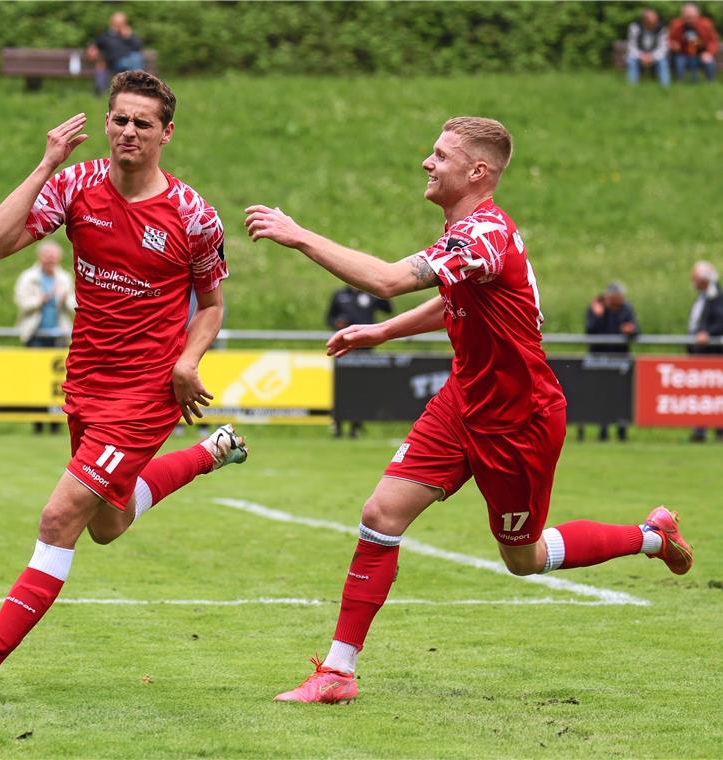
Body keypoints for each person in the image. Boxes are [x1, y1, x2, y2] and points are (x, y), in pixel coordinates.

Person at [245, 116, 693, 705]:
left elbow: (384, 278)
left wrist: (297, 234)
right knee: (381, 515)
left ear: (477, 171)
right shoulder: (469, 235)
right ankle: (337, 672)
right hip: (463, 401)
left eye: (440, 155)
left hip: (518, 419)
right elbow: (451, 298)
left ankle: (650, 536)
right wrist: (383, 334)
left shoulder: (483, 234)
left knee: (524, 559)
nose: (427, 163)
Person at [0, 70, 249, 702]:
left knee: (60, 516)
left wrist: (187, 362)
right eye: (119, 119)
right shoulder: (76, 184)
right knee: (107, 525)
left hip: (147, 392)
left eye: (142, 123)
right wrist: (45, 164)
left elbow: (211, 304)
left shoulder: (193, 215)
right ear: (107, 123)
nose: (128, 131)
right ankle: (208, 453)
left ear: (166, 133)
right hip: (87, 382)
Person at [15, 240, 76, 434]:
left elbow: (74, 304)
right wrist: (40, 300)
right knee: (35, 379)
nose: (51, 261)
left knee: (58, 380)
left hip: (58, 334)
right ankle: (37, 422)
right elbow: (22, 302)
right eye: (48, 257)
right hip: (35, 334)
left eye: (54, 258)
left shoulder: (64, 278)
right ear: (40, 258)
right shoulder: (29, 278)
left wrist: (65, 299)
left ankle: (56, 422)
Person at [326, 285, 393, 437]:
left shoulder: (371, 294)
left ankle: (355, 426)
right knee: (342, 390)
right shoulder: (339, 295)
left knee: (361, 389)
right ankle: (337, 426)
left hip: (365, 352)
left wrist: (382, 290)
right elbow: (329, 318)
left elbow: (388, 308)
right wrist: (337, 323)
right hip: (344, 351)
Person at [580, 281, 638, 442]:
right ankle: (603, 431)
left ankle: (622, 431)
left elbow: (636, 330)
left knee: (621, 397)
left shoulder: (626, 309)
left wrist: (630, 330)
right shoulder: (597, 309)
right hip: (599, 359)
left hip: (620, 360)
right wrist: (598, 315)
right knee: (601, 396)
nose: (618, 302)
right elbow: (590, 330)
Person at [687, 260, 723, 442]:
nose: (692, 282)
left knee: (714, 392)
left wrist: (707, 333)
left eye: (695, 278)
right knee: (701, 394)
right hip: (699, 352)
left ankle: (716, 429)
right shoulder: (703, 297)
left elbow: (720, 320)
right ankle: (700, 430)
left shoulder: (716, 297)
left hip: (712, 353)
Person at [86, 12, 145, 96]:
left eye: (122, 23)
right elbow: (94, 46)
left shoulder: (128, 36)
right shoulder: (106, 36)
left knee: (135, 57)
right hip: (114, 63)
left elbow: (138, 47)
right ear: (112, 23)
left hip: (129, 62)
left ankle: (137, 88)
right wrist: (92, 50)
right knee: (135, 59)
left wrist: (129, 37)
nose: (119, 25)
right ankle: (138, 87)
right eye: (117, 23)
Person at [668, 3, 718, 82]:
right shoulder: (676, 24)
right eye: (687, 17)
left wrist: (709, 53)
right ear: (682, 15)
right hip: (683, 53)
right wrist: (674, 45)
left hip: (701, 53)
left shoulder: (706, 24)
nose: (689, 20)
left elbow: (713, 41)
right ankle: (679, 83)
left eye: (692, 17)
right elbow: (670, 39)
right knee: (679, 61)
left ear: (697, 15)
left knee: (709, 61)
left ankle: (710, 83)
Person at [626, 8, 671, 87]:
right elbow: (631, 46)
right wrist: (641, 56)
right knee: (631, 60)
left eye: (656, 20)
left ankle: (665, 86)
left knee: (663, 61)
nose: (655, 23)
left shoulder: (661, 28)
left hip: (655, 54)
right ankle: (632, 85)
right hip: (639, 54)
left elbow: (663, 47)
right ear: (644, 21)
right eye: (651, 21)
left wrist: (652, 56)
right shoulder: (635, 27)